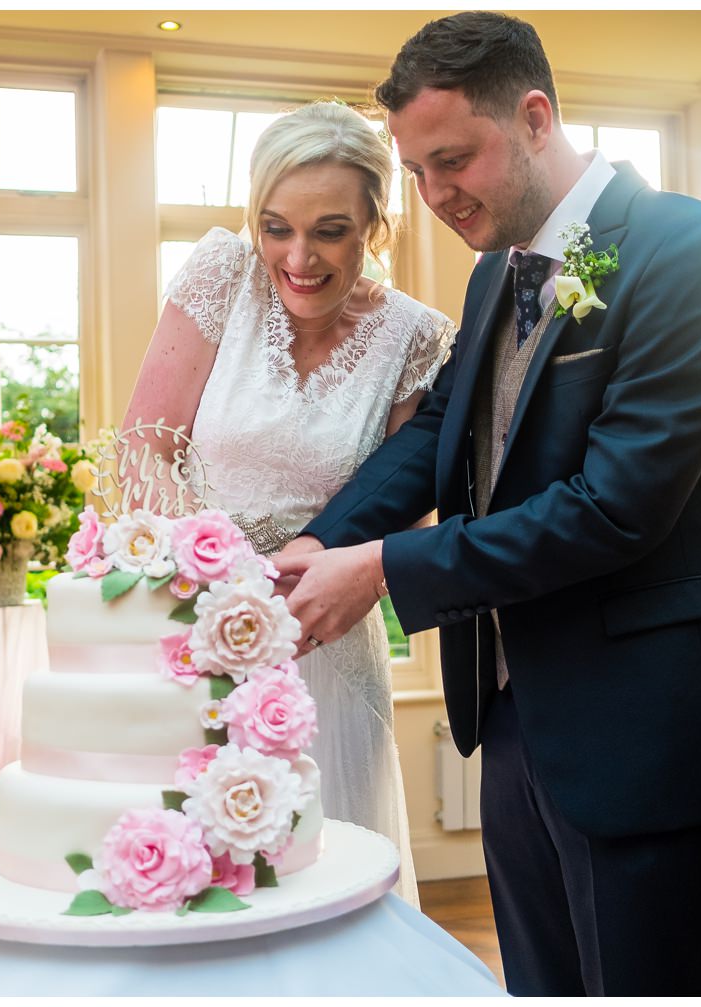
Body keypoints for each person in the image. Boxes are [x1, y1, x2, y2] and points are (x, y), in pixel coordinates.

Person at [274, 12, 701, 996]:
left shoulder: (689, 251)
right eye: (418, 171)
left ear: (536, 116)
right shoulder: (492, 278)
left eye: (454, 160)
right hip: (514, 719)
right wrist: (318, 540)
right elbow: (436, 438)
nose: (433, 195)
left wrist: (385, 569)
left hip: (650, 725)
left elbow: (614, 506)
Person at [122, 100, 458, 908]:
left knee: (321, 882)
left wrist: (309, 592)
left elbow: (403, 503)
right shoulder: (218, 277)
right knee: (184, 882)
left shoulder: (418, 337)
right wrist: (226, 578)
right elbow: (144, 445)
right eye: (276, 227)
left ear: (377, 220)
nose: (297, 257)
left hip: (325, 646)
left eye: (330, 230)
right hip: (188, 621)